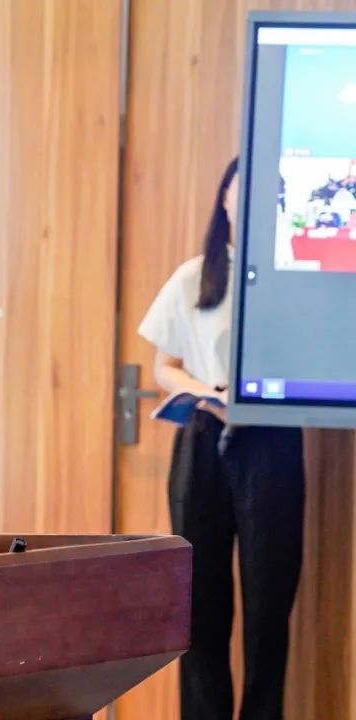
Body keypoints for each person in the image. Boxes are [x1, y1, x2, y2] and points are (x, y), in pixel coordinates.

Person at [139, 158, 305, 720]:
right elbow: (164, 367)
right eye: (241, 191)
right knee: (200, 607)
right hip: (204, 439)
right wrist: (208, 393)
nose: (249, 202)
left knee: (268, 607)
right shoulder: (195, 276)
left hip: (273, 444)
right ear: (225, 201)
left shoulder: (293, 278)